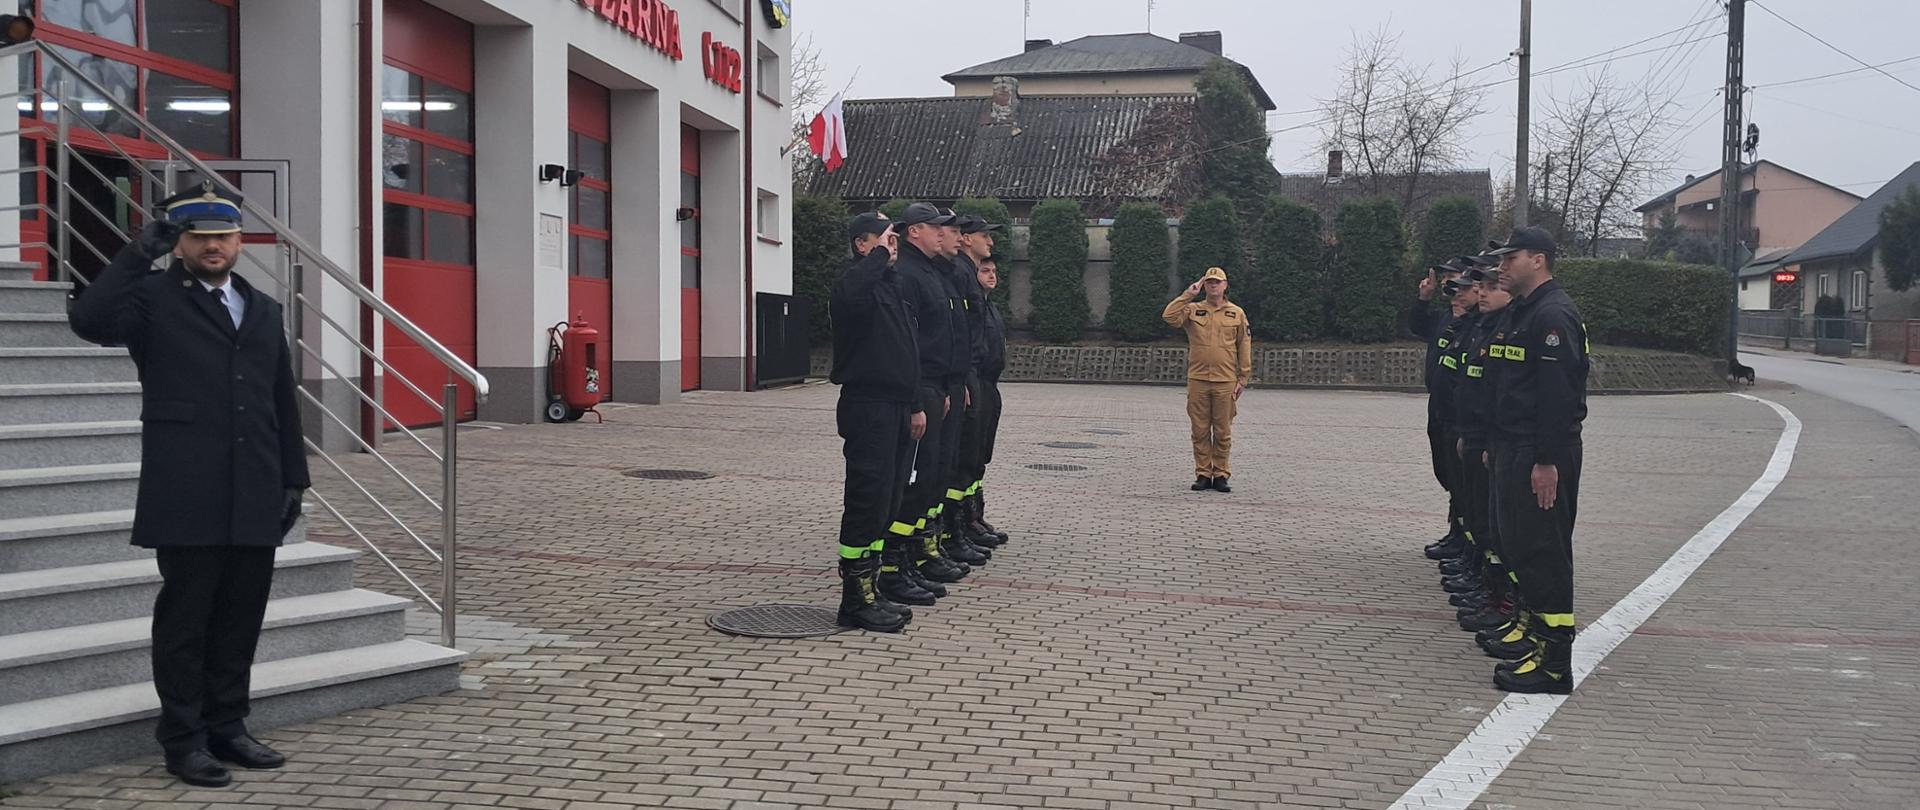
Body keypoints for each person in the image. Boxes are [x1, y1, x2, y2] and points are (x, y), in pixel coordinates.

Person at [67, 186, 310, 788]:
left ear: (239, 241)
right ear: (181, 243)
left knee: (239, 618)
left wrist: (294, 479)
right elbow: (89, 322)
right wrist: (134, 256)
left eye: (222, 236)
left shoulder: (263, 307)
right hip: (188, 487)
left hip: (254, 487)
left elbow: (281, 397)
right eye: (199, 236)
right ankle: (183, 738)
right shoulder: (151, 298)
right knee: (186, 621)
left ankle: (229, 726)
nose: (212, 246)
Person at [1484, 226, 1590, 694]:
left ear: (1539, 260)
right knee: (1521, 547)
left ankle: (1554, 663)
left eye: (1511, 258)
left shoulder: (1553, 317)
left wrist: (1546, 461)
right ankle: (1534, 638)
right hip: (1514, 447)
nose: (1502, 267)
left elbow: (1558, 397)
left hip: (1540, 454)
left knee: (1544, 551)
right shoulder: (1524, 312)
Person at [876, 203, 972, 604]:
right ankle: (895, 569)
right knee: (913, 482)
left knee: (932, 477)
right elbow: (909, 344)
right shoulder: (910, 275)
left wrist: (955, 383)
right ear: (913, 231)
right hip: (921, 388)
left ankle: (913, 559)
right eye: (937, 228)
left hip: (940, 387)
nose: (946, 234)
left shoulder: (935, 273)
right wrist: (918, 395)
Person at [827, 212, 919, 632]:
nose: (893, 244)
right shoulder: (854, 285)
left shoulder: (891, 287)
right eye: (884, 238)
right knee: (866, 500)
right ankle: (854, 599)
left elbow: (907, 352)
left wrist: (915, 402)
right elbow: (848, 297)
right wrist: (879, 256)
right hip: (869, 406)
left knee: (887, 500)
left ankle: (873, 588)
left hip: (897, 405)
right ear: (861, 245)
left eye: (894, 239)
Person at [931, 210, 992, 567]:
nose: (991, 242)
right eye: (985, 235)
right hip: (957, 378)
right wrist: (962, 377)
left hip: (974, 376)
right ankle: (950, 533)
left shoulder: (965, 274)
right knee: (950, 463)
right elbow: (956, 333)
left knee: (971, 457)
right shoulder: (954, 274)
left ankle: (966, 522)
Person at [1162, 267, 1252, 493]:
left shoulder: (1236, 313)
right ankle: (1203, 473)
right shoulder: (1193, 310)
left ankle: (1220, 474)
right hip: (1198, 380)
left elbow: (1244, 345)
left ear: (1225, 285)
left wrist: (1243, 377)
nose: (1213, 285)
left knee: (1222, 430)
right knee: (1200, 429)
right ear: (1204, 285)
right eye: (1209, 282)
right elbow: (1169, 316)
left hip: (1225, 381)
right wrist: (1188, 294)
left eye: (1217, 282)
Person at [951, 215, 1009, 550]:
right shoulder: (961, 278)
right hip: (971, 380)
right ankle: (957, 526)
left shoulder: (988, 303)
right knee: (963, 457)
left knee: (978, 455)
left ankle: (973, 516)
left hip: (987, 383)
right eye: (986, 236)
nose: (991, 241)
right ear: (967, 239)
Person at [1414, 261, 1469, 561]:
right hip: (1439, 406)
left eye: (1454, 279)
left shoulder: (1474, 320)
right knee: (1446, 471)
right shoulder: (1446, 317)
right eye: (1446, 279)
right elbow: (1417, 326)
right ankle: (1456, 532)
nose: (1450, 285)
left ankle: (1463, 540)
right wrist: (1424, 298)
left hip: (1459, 413)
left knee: (1462, 478)